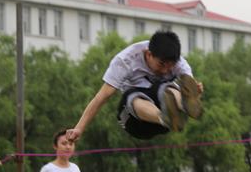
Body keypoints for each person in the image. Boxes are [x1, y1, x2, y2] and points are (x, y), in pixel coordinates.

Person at [66, 31, 203, 142]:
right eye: (161, 64)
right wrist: (79, 128)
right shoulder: (125, 61)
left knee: (167, 87)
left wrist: (195, 93)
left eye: (171, 66)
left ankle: (181, 107)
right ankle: (164, 116)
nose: (166, 70)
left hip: (166, 123)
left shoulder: (179, 63)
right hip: (134, 120)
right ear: (149, 54)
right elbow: (101, 97)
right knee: (132, 96)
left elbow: (189, 83)